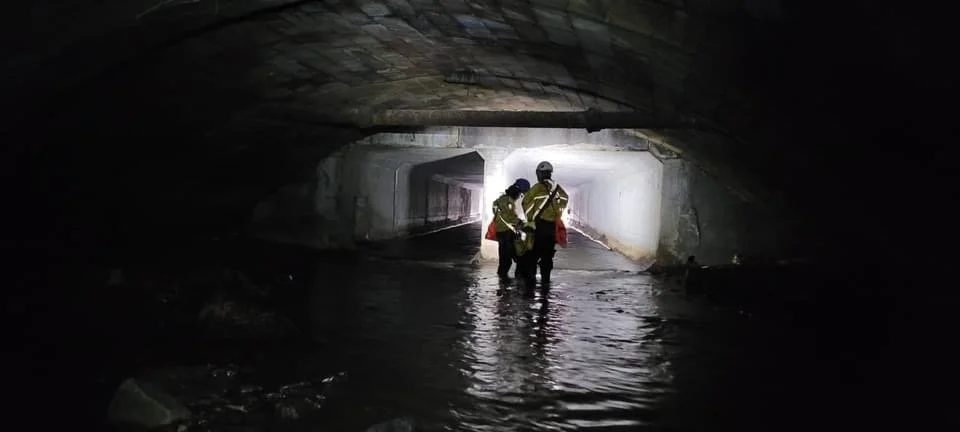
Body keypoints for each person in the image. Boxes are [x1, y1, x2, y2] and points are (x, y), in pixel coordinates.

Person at [519, 161, 568, 289]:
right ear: (550, 174)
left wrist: (530, 218)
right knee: (547, 255)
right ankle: (545, 282)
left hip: (539, 226)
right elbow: (564, 198)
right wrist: (557, 213)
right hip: (552, 227)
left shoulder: (537, 187)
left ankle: (531, 285)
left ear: (540, 174)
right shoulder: (557, 188)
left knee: (532, 255)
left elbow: (525, 202)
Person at [493, 178, 530, 280]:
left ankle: (505, 282)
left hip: (505, 233)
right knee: (511, 259)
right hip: (506, 234)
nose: (520, 196)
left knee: (509, 259)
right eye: (521, 194)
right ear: (517, 191)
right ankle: (506, 283)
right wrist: (523, 223)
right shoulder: (506, 201)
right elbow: (510, 217)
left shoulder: (504, 199)